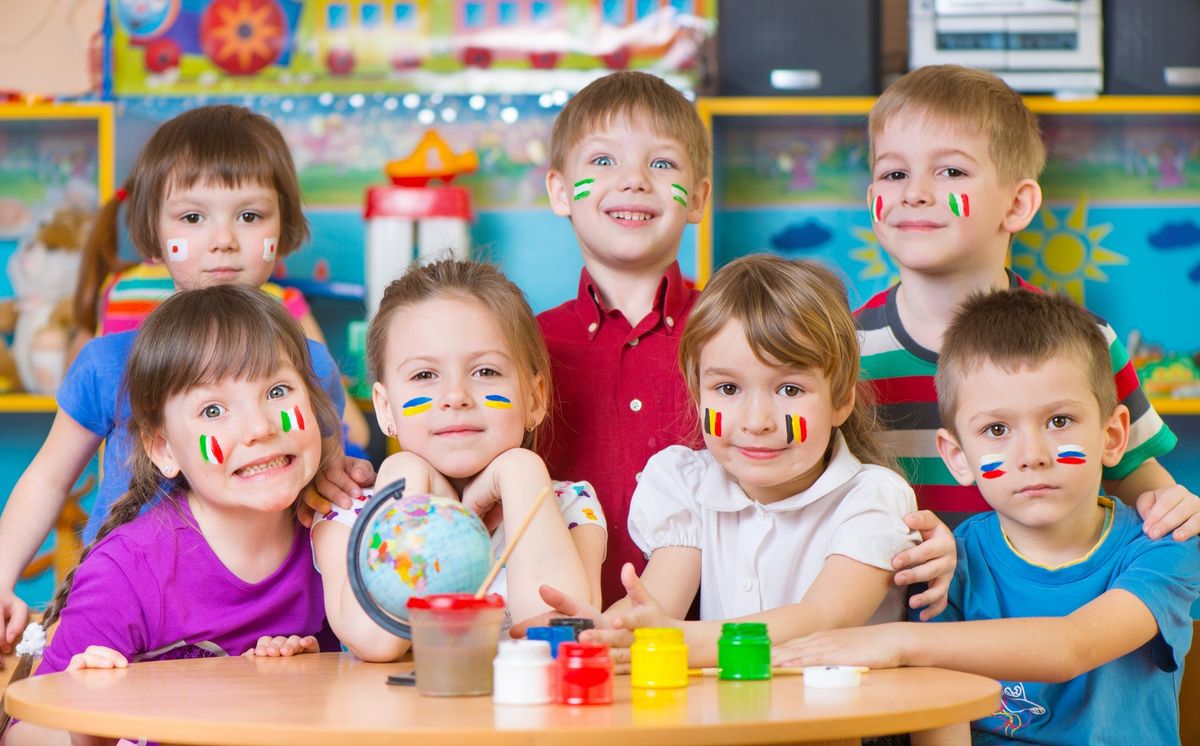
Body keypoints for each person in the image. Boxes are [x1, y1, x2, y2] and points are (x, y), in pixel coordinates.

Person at [538, 71, 951, 611]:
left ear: (700, 198)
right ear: (559, 190)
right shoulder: (527, 347)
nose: (634, 180)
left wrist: (940, 546)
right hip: (581, 630)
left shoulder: (748, 332)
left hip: (711, 645)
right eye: (602, 160)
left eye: (661, 164)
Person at [0, 105, 373, 657]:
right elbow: (48, 480)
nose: (223, 240)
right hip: (128, 617)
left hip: (269, 621)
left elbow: (324, 478)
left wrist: (341, 474)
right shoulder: (109, 364)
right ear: (153, 234)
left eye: (250, 216)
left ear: (284, 229)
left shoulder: (307, 366)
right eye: (192, 218)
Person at [775, 289, 1200, 746]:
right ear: (958, 457)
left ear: (1114, 435)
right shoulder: (950, 567)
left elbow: (1073, 646)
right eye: (997, 430)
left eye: (1059, 421)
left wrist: (893, 643)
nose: (1031, 455)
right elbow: (939, 709)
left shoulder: (1164, 544)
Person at [855, 64, 1200, 543]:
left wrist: (1173, 505)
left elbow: (1140, 480)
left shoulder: (1086, 342)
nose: (913, 194)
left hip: (1042, 612)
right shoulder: (840, 350)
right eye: (894, 173)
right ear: (873, 198)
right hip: (891, 613)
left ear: (1017, 205)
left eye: (951, 171)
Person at [525, 255, 922, 668]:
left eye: (789, 389)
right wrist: (598, 636)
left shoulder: (873, 497)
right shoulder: (685, 485)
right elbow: (659, 605)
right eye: (728, 388)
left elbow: (822, 618)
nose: (756, 422)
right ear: (698, 396)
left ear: (841, 400)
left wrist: (679, 643)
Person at [1, 285, 343, 745]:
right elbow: (23, 734)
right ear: (163, 448)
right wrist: (88, 732)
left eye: (277, 390)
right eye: (214, 409)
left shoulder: (337, 538)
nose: (260, 427)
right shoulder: (127, 573)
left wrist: (310, 677)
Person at [312, 259, 604, 662]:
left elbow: (556, 636)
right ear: (386, 409)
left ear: (534, 398)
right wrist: (407, 482)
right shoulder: (349, 516)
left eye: (485, 370)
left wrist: (521, 471)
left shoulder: (569, 507)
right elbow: (379, 642)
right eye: (424, 376)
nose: (455, 395)